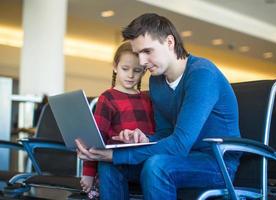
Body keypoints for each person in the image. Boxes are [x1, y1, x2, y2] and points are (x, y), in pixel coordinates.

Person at [76, 13, 241, 200]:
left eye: (148, 51)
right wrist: (144, 138)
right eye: (138, 54)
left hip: (216, 162)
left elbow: (179, 144)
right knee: (109, 164)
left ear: (169, 42)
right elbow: (165, 132)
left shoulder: (202, 75)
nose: (142, 62)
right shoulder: (157, 81)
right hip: (180, 157)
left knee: (156, 166)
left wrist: (116, 155)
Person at [80, 42, 155, 199]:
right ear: (115, 67)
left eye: (137, 70)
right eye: (125, 69)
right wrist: (88, 172)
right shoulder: (107, 98)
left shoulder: (148, 99)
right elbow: (96, 139)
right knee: (107, 165)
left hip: (144, 161)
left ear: (144, 72)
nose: (130, 75)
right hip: (117, 161)